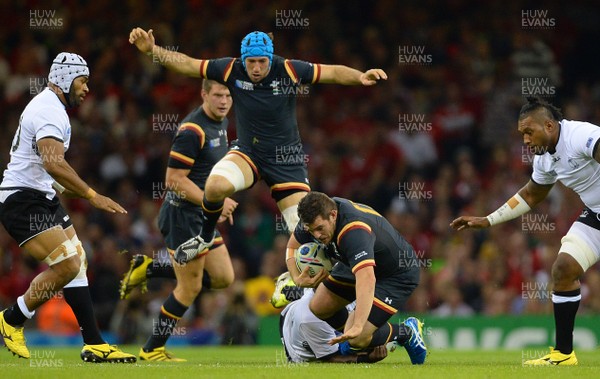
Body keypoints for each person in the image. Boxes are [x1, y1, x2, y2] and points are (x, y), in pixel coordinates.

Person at [128, 28, 388, 264]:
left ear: (270, 58)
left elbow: (331, 72)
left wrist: (360, 76)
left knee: (307, 233)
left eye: (261, 61)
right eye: (250, 61)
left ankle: (316, 281)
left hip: (286, 161)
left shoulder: (288, 69)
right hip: (249, 153)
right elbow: (187, 65)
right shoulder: (231, 69)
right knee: (215, 186)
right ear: (243, 59)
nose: (255, 67)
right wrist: (153, 50)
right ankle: (205, 237)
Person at [0, 52, 135, 363]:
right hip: (22, 200)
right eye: (83, 81)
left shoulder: (51, 106)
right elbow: (53, 163)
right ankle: (12, 318)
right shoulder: (49, 110)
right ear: (64, 79)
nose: (87, 89)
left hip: (40, 195)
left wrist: (64, 187)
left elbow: (44, 165)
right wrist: (91, 195)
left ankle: (94, 343)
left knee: (78, 259)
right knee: (68, 265)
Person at [450, 97, 600, 366]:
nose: (526, 140)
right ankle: (564, 354)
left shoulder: (580, 136)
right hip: (597, 216)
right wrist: (488, 220)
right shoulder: (545, 159)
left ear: (550, 126)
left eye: (529, 132)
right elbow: (531, 195)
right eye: (522, 135)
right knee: (563, 269)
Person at [120, 79, 236, 361]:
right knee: (190, 287)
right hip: (182, 217)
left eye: (228, 95)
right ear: (203, 95)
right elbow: (173, 180)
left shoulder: (221, 122)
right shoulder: (191, 131)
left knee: (223, 278)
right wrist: (214, 202)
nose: (223, 101)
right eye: (218, 95)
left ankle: (150, 270)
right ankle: (151, 349)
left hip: (202, 215)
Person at [285, 191, 427, 365]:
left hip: (396, 273)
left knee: (357, 337)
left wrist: (358, 326)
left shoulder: (353, 231)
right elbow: (292, 246)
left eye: (320, 229)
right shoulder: (315, 215)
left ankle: (407, 332)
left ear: (333, 215)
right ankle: (359, 338)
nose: (316, 236)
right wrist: (297, 278)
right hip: (358, 263)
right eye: (311, 230)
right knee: (319, 306)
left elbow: (367, 278)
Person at [273, 271, 416, 364]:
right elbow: (331, 358)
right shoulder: (308, 318)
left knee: (359, 336)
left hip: (299, 318)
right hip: (305, 346)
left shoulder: (341, 287)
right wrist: (367, 359)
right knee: (355, 343)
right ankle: (407, 332)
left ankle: (289, 290)